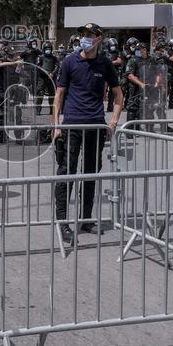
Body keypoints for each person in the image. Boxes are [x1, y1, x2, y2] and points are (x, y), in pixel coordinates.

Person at [52, 23, 123, 244]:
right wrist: (56, 126)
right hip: (72, 126)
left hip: (95, 127)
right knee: (67, 173)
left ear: (99, 39)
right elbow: (59, 95)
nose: (86, 38)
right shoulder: (70, 61)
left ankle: (86, 219)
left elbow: (119, 96)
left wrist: (113, 122)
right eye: (83, 35)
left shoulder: (105, 64)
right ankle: (62, 223)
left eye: (90, 35)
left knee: (91, 173)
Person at [123, 39, 146, 122]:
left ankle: (138, 128)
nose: (138, 51)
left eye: (140, 50)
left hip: (145, 86)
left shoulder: (148, 60)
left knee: (142, 107)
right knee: (132, 107)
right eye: (137, 49)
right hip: (135, 86)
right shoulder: (132, 59)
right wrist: (139, 82)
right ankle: (129, 129)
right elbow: (129, 75)